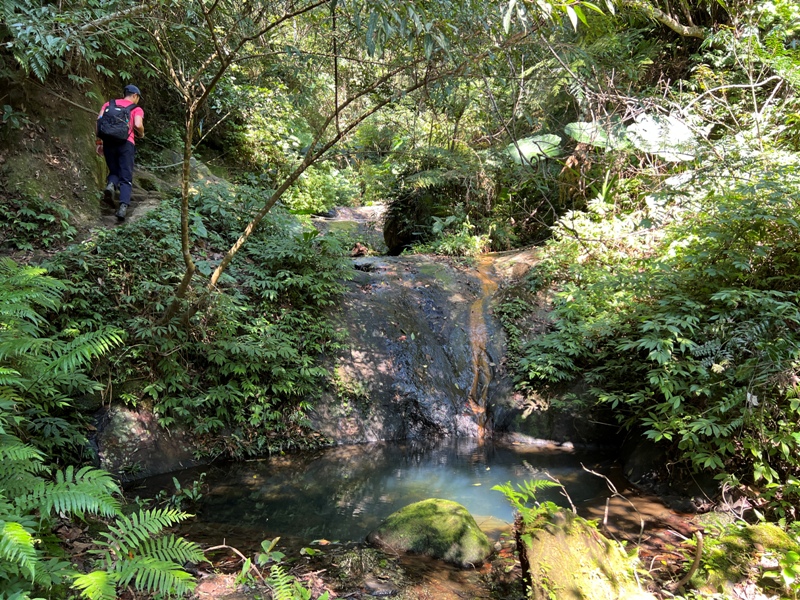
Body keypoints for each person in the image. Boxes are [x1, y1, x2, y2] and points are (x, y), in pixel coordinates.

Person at [96, 84, 144, 220]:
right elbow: (138, 125)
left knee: (114, 170)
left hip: (108, 142)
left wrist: (99, 142)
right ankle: (123, 207)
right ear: (134, 96)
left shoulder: (108, 104)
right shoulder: (136, 108)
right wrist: (141, 134)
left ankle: (111, 185)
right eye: (138, 97)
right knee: (126, 176)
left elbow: (99, 122)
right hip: (126, 144)